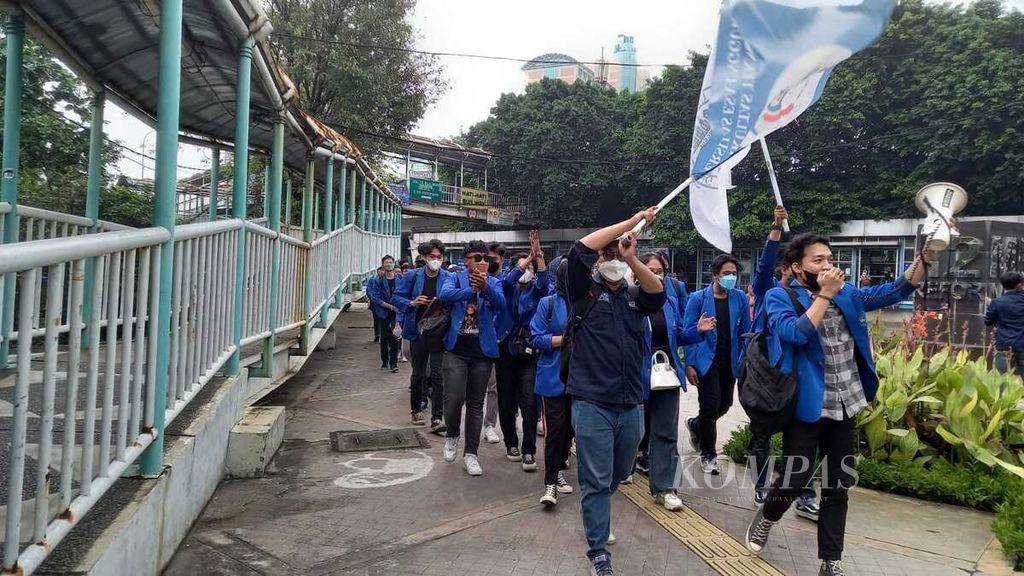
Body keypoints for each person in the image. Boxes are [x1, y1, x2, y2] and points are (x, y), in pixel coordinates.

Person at [745, 232, 930, 576]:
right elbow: (795, 333)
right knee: (794, 482)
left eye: (830, 259)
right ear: (798, 268)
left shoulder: (847, 295)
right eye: (818, 260)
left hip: (846, 404)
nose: (828, 265)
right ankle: (769, 516)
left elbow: (897, 288)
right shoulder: (779, 296)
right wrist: (824, 295)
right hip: (806, 409)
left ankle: (831, 561)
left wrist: (927, 256)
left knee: (837, 487)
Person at [564, 209, 665, 576]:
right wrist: (630, 222)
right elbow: (578, 249)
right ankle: (598, 553)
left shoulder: (635, 296)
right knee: (594, 479)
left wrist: (632, 256)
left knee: (619, 473)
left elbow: (658, 292)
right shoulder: (582, 290)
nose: (611, 260)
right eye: (605, 255)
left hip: (631, 404)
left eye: (615, 254)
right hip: (592, 402)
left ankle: (598, 511)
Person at [745, 208, 821, 521]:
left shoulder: (814, 297)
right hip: (767, 377)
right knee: (761, 435)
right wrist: (775, 230)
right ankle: (761, 486)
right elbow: (763, 269)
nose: (790, 274)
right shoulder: (771, 292)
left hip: (800, 380)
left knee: (803, 439)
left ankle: (804, 494)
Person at [636, 252, 714, 512]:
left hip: (666, 373)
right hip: (635, 374)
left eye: (660, 271)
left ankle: (665, 487)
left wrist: (697, 330)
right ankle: (622, 469)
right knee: (632, 429)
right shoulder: (629, 301)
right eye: (650, 269)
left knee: (666, 432)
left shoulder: (669, 301)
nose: (656, 275)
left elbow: (678, 335)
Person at [439, 240, 506, 477]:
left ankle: (471, 454)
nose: (481, 262)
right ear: (466, 260)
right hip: (456, 349)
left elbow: (501, 304)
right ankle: (452, 436)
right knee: (455, 398)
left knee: (476, 405)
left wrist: (485, 287)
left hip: (482, 352)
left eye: (485, 258)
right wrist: (472, 289)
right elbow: (444, 295)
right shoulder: (455, 277)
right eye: (476, 257)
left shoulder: (494, 282)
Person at [683, 254, 751, 475]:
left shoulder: (739, 298)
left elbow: (745, 331)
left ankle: (695, 424)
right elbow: (689, 333)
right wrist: (690, 363)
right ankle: (708, 454)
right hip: (706, 361)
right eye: (726, 274)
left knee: (724, 405)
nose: (731, 277)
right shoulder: (698, 298)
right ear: (715, 275)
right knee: (710, 406)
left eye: (734, 274)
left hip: (729, 360)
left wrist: (746, 356)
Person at [497, 231, 549, 471]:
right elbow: (508, 281)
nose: (528, 271)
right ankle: (511, 443)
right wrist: (526, 258)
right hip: (506, 351)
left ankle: (529, 449)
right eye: (524, 267)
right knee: (506, 401)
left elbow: (545, 279)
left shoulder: (536, 292)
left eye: (531, 267)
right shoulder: (506, 289)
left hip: (529, 353)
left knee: (530, 403)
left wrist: (537, 255)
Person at [394, 240, 450, 430]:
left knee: (437, 374)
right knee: (418, 374)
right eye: (432, 257)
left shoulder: (448, 277)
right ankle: (416, 409)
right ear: (424, 257)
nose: (435, 260)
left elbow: (453, 298)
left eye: (439, 257)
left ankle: (437, 417)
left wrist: (441, 302)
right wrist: (413, 302)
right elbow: (397, 297)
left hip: (438, 332)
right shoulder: (412, 275)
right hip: (417, 331)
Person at [531, 260, 574, 505]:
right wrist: (564, 340)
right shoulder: (548, 303)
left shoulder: (588, 300)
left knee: (572, 427)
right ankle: (551, 482)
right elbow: (536, 338)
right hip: (553, 375)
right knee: (556, 427)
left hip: (582, 376)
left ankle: (560, 463)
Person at [482, 242, 509, 445]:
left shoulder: (506, 282)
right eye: (486, 259)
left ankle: (489, 424)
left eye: (493, 260)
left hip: (501, 340)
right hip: (478, 338)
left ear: (502, 260)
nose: (489, 263)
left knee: (494, 387)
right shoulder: (475, 279)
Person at [985, 271, 1024, 377]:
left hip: (1004, 345)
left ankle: (1003, 394)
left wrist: (991, 306)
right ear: (1019, 285)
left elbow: (988, 321)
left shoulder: (997, 302)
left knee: (1001, 378)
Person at [368, 258, 401, 371]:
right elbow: (375, 297)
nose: (388, 264)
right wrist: (390, 306)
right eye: (386, 262)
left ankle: (394, 363)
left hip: (397, 312)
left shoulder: (400, 279)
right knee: (384, 336)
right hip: (384, 311)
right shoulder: (379, 280)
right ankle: (385, 361)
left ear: (394, 264)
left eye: (390, 262)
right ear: (382, 265)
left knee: (395, 336)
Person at [367, 267, 384, 343]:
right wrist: (374, 299)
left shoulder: (386, 280)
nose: (382, 272)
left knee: (383, 320)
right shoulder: (372, 280)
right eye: (381, 270)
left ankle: (382, 335)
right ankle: (377, 335)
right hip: (375, 304)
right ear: (377, 271)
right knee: (376, 319)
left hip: (384, 304)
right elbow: (369, 291)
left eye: (383, 270)